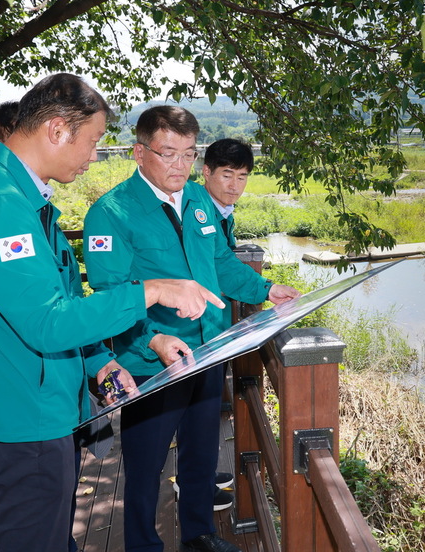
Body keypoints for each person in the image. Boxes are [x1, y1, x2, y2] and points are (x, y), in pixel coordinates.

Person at [0, 74, 224, 552]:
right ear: (55, 130)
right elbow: (47, 322)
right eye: (90, 142)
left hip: (29, 408)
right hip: (17, 418)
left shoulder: (20, 199)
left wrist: (99, 363)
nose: (93, 156)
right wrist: (148, 291)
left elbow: (53, 304)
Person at [83, 106, 300, 552]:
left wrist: (267, 287)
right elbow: (111, 292)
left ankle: (199, 534)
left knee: (202, 452)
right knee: (146, 465)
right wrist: (153, 339)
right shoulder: (111, 213)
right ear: (139, 152)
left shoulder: (200, 200)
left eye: (188, 154)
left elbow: (220, 263)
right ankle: (143, 544)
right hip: (150, 364)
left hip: (208, 352)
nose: (179, 166)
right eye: (168, 154)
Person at [201, 138, 254, 250]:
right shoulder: (195, 212)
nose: (234, 186)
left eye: (241, 178)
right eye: (227, 176)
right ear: (207, 172)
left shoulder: (225, 213)